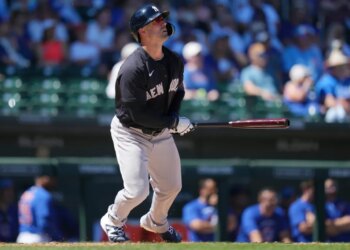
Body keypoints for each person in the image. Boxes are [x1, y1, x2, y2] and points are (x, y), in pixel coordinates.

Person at [99, 4, 194, 243]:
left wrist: (174, 119)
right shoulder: (132, 67)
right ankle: (112, 220)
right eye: (156, 21)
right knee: (137, 191)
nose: (163, 23)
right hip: (130, 131)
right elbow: (136, 113)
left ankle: (156, 221)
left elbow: (177, 93)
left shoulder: (174, 60)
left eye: (162, 19)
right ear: (142, 31)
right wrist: (173, 123)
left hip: (160, 131)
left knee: (172, 186)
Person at [17, 171, 63, 243]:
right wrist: (57, 237)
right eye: (50, 178)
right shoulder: (43, 195)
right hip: (36, 237)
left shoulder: (27, 193)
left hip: (22, 236)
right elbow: (44, 221)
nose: (52, 181)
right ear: (44, 178)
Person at [315, 49, 350, 123]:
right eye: (340, 66)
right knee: (338, 112)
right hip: (328, 117)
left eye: (344, 65)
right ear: (332, 68)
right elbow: (329, 102)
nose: (343, 68)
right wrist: (343, 103)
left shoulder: (346, 80)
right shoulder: (326, 81)